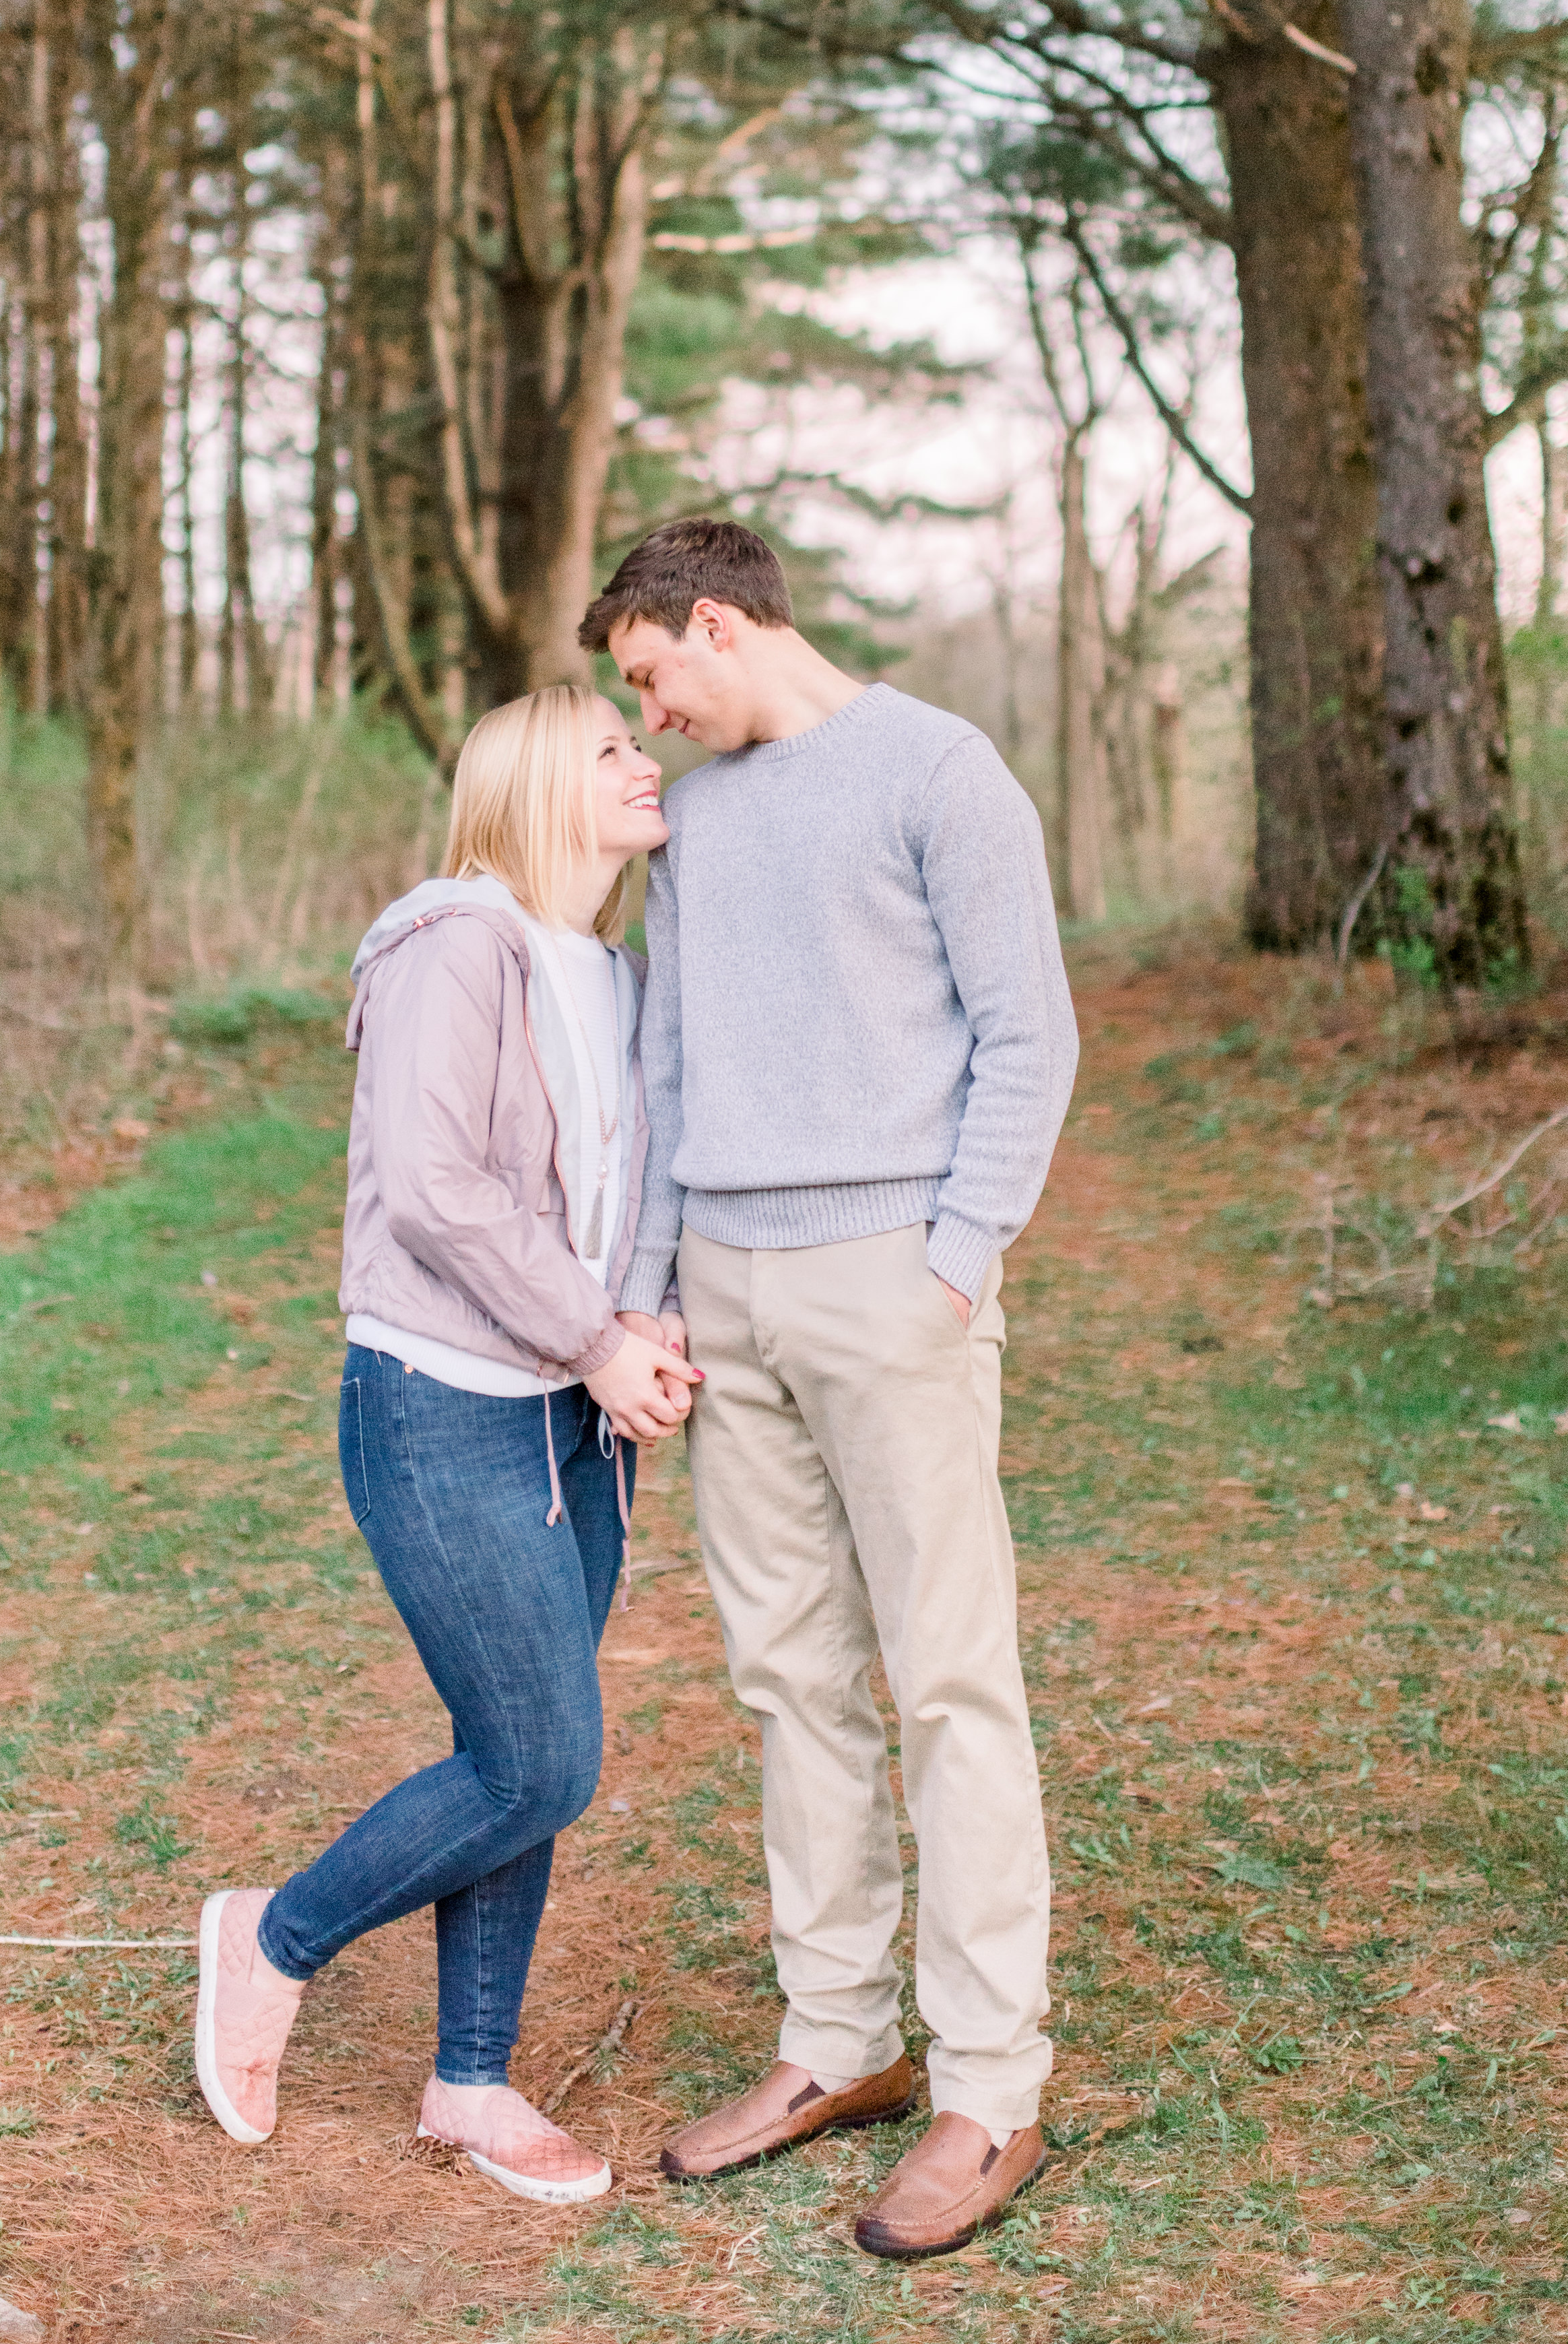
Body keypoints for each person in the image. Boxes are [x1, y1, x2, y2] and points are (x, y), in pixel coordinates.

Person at [579, 515, 1077, 2261]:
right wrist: (643, 1294)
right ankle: (837, 2046)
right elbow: (666, 1059)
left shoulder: (942, 772)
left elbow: (1029, 1033)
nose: (649, 724)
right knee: (792, 1680)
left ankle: (988, 2088)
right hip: (727, 1293)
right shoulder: (698, 825)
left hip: (894, 1286)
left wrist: (957, 1254)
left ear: (715, 624)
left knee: (949, 1678)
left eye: (651, 680)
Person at [192, 685, 696, 2203]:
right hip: (443, 1403)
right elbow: (430, 1182)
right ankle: (270, 1939)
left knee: (517, 1754)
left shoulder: (615, 971)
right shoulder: (452, 940)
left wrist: (646, 1328)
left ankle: (470, 2081)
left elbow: (643, 1187)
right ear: (540, 783)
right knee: (540, 1754)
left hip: (578, 1418)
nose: (645, 758)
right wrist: (599, 1339)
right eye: (612, 747)